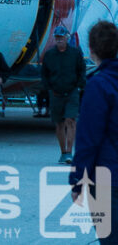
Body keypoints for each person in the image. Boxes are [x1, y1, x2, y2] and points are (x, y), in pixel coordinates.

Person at [69, 21, 118, 245]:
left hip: (108, 180)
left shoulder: (98, 85)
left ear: (91, 49)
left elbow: (88, 140)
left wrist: (78, 179)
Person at [41, 25, 86, 164]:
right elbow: (44, 74)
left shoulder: (75, 53)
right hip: (55, 93)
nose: (59, 40)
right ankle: (63, 152)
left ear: (67, 38)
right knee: (59, 123)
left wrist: (78, 86)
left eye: (62, 37)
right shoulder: (49, 55)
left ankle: (70, 152)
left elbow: (81, 70)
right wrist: (49, 88)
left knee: (70, 121)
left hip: (71, 92)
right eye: (57, 38)